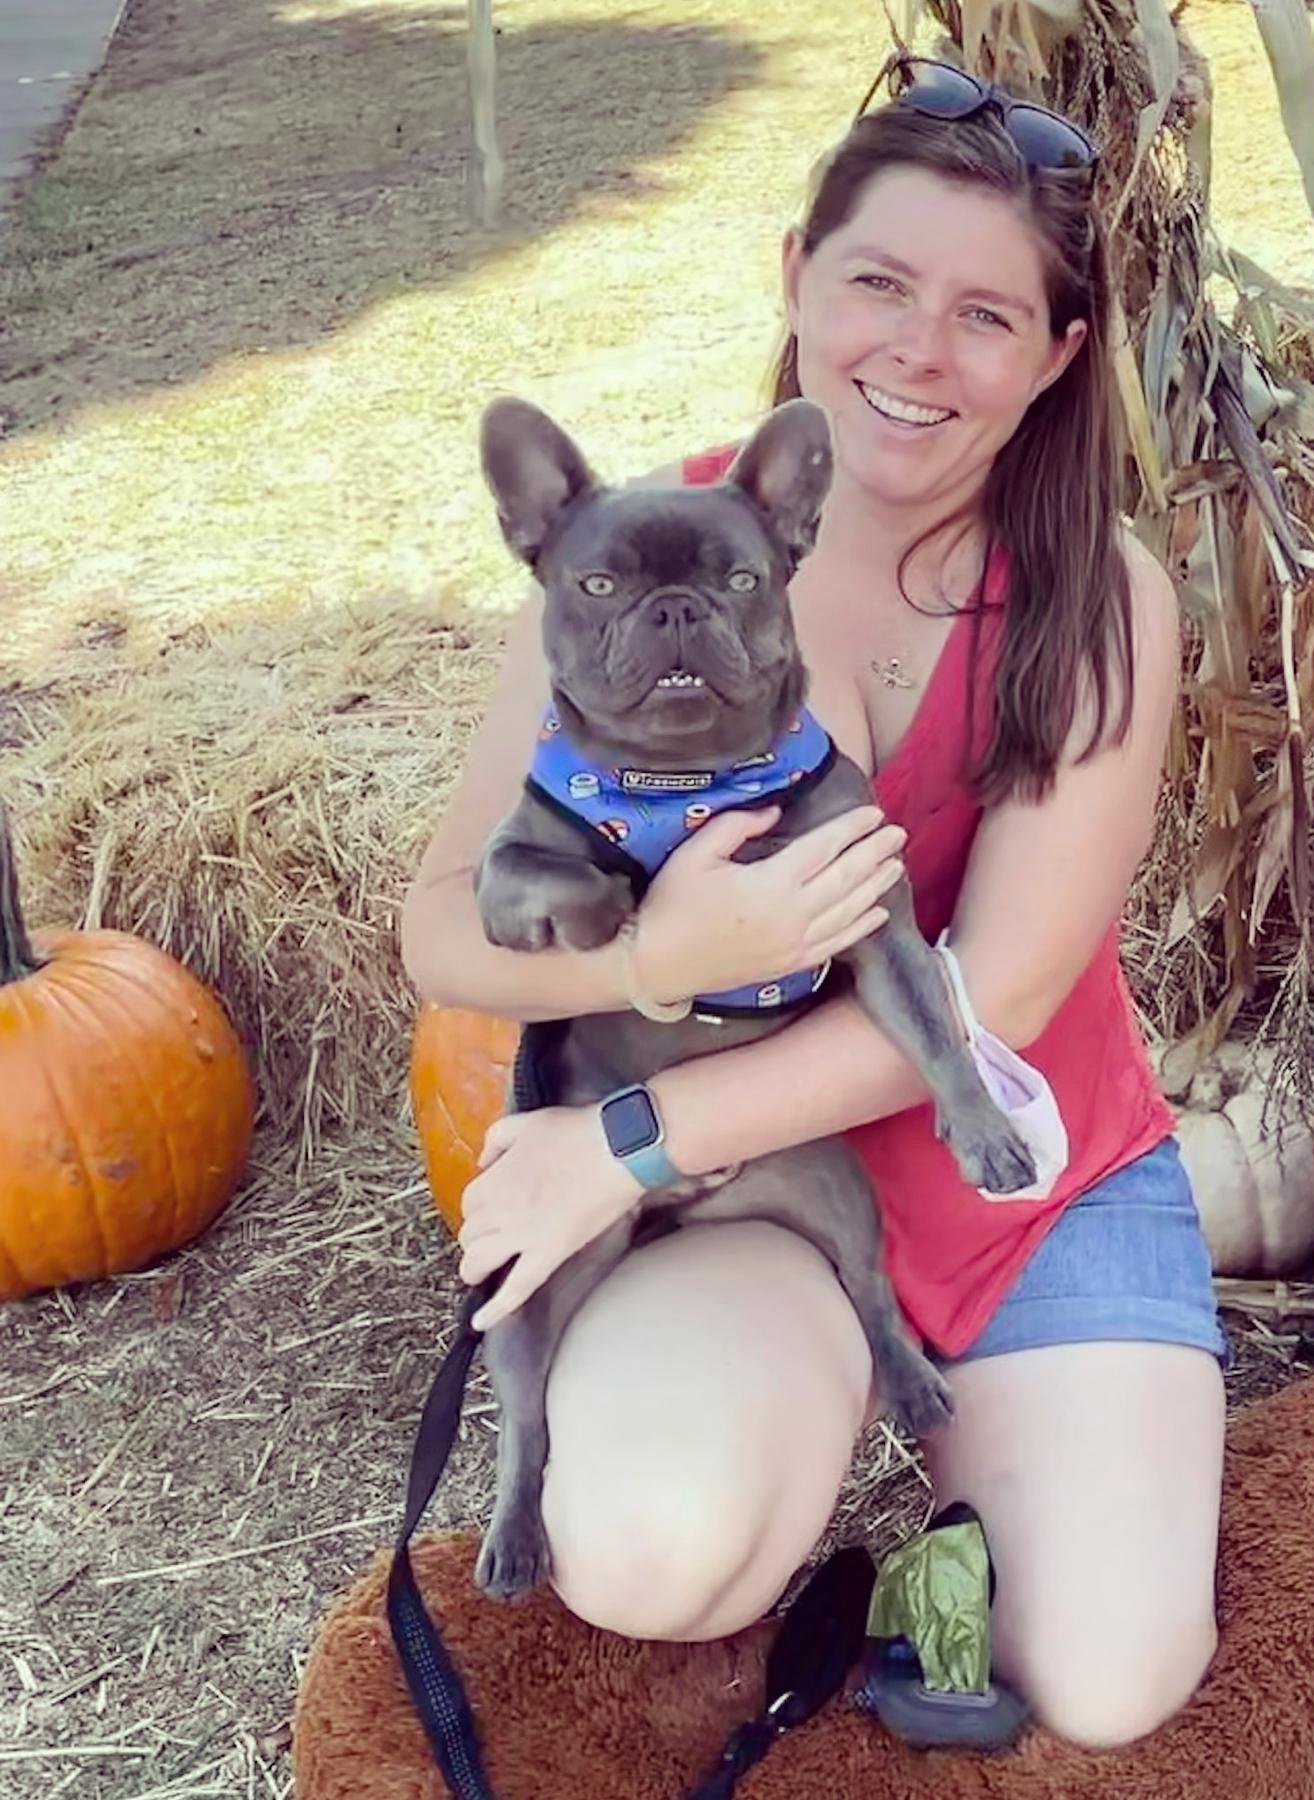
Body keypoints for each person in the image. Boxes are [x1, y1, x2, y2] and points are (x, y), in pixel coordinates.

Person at [399, 54, 1228, 1751]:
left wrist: (623, 1138)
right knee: (653, 1548)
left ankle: (962, 1514)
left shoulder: (1097, 598)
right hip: (750, 1198)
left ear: (1058, 355)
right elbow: (439, 925)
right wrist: (656, 960)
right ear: (795, 276)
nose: (919, 352)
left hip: (1015, 1167)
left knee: (1114, 1677)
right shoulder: (629, 556)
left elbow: (992, 997)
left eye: (988, 316)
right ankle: (794, 1413)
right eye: (879, 284)